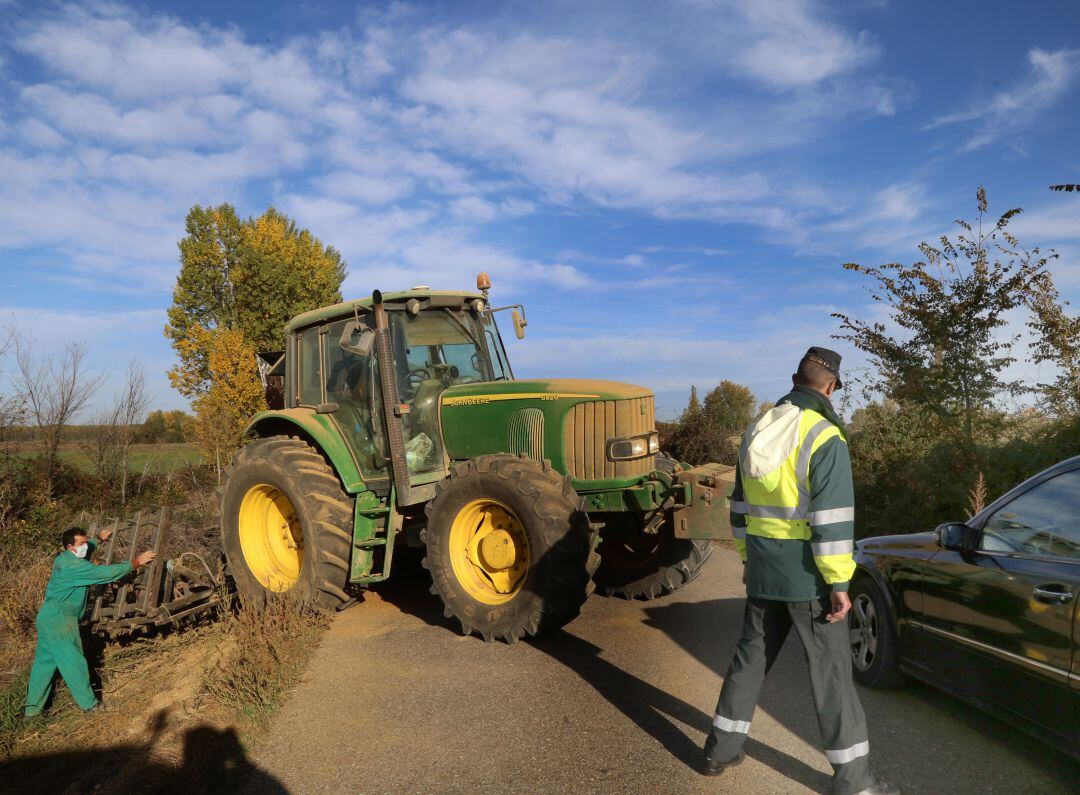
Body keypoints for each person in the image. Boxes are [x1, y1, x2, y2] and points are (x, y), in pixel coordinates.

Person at [701, 347, 899, 795]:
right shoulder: (824, 435)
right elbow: (832, 520)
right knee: (830, 676)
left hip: (764, 569)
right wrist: (839, 583)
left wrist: (748, 559)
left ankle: (719, 750)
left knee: (750, 659)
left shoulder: (757, 430)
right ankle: (854, 782)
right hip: (809, 577)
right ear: (830, 387)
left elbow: (739, 508)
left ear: (795, 379)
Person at [24, 527, 156, 717]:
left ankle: (31, 712)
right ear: (70, 547)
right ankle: (90, 706)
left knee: (43, 665)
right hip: (60, 620)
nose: (85, 546)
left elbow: (87, 547)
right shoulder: (74, 567)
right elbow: (104, 573)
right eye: (81, 544)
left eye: (86, 542)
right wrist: (136, 562)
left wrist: (98, 540)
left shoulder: (64, 558)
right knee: (73, 662)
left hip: (47, 618)